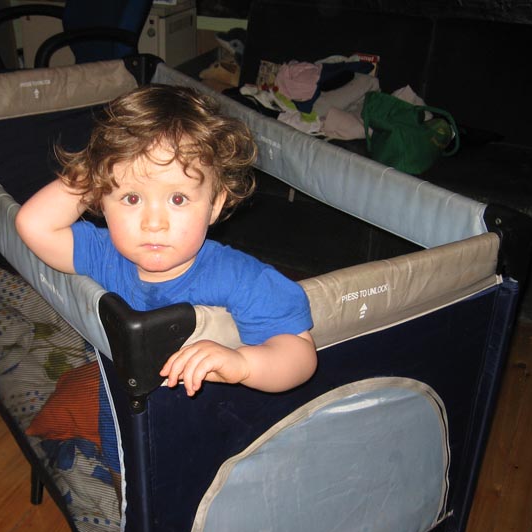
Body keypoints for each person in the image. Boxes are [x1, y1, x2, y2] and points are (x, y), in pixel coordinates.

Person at [16, 84, 317, 400]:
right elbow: (33, 225)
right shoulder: (103, 255)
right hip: (126, 406)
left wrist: (243, 363)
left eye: (178, 198)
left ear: (214, 205)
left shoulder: (239, 277)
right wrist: (93, 172)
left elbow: (299, 355)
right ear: (101, 200)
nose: (154, 223)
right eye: (132, 198)